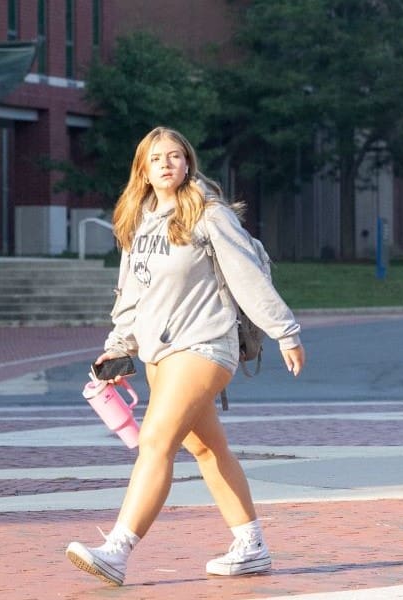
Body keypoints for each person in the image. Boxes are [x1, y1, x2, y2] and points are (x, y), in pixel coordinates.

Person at [66, 127, 306, 586]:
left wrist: (285, 331)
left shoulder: (208, 214)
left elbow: (247, 276)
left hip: (204, 345)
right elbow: (131, 294)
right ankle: (251, 545)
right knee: (207, 448)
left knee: (156, 442)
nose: (166, 164)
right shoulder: (137, 220)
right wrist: (118, 346)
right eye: (156, 158)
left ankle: (117, 549)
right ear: (143, 169)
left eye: (175, 156)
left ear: (188, 163)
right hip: (159, 352)